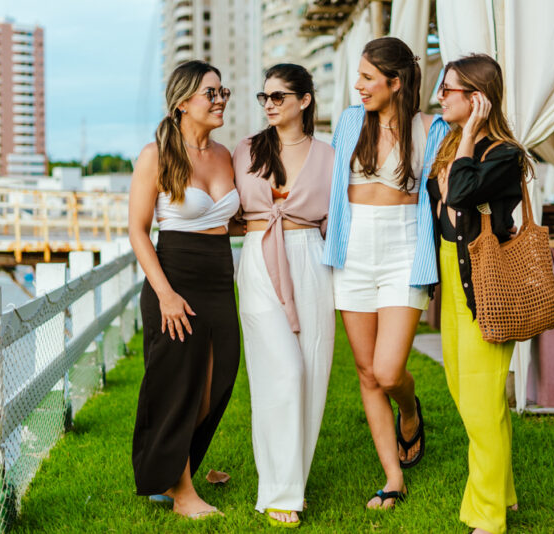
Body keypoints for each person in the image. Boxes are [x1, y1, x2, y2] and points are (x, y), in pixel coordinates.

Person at [323, 37, 448, 509]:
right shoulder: (352, 123)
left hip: (404, 254)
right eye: (359, 77)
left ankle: (410, 411)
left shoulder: (428, 129)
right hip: (353, 255)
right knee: (366, 372)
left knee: (388, 369)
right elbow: (327, 184)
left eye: (368, 78)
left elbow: (446, 189)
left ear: (395, 83)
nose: (358, 86)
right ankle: (393, 476)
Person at [129, 60, 240, 520]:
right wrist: (166, 295)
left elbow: (228, 220)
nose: (220, 100)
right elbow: (137, 230)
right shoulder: (155, 155)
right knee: (180, 389)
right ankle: (182, 490)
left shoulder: (225, 154)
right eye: (210, 93)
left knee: (217, 385)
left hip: (219, 279)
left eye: (222, 91)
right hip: (173, 279)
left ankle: (169, 468)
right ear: (182, 103)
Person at [427, 53, 529, 534]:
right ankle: (503, 492)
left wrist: (468, 136)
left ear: (478, 98)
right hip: (454, 275)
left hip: (487, 278)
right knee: (465, 392)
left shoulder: (505, 154)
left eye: (449, 90)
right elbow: (443, 211)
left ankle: (486, 517)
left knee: (481, 400)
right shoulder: (448, 147)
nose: (440, 97)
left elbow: (462, 196)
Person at [233, 63, 335, 528]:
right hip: (258, 258)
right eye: (264, 97)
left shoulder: (328, 156)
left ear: (304, 101)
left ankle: (292, 483)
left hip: (309, 256)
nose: (269, 104)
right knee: (281, 372)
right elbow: (224, 206)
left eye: (278, 96)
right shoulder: (247, 151)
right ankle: (277, 490)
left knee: (310, 372)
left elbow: (336, 223)